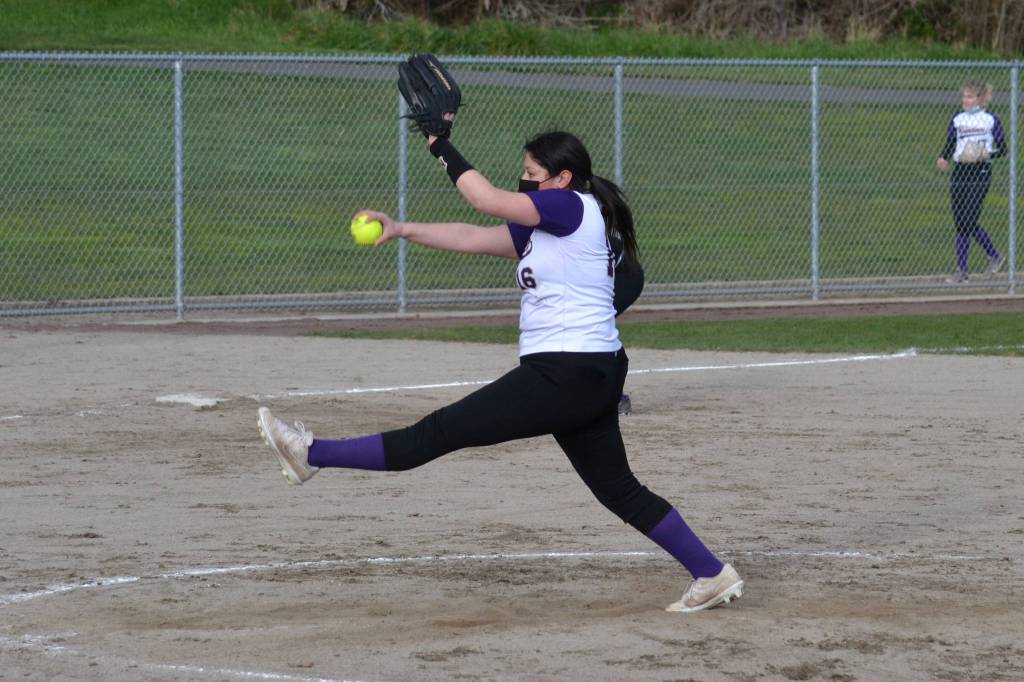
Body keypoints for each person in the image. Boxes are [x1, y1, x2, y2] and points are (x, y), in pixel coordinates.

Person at [257, 130, 742, 613]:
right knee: (619, 490)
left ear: (563, 178)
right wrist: (401, 228)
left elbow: (484, 201)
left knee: (438, 431)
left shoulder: (570, 206)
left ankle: (312, 454)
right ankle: (711, 572)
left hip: (566, 371)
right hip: (587, 372)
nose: (524, 181)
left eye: (532, 173)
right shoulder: (549, 226)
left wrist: (437, 143)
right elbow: (471, 236)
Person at [936, 80, 1007, 283]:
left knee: (968, 217)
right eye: (964, 96)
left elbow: (1003, 148)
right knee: (960, 221)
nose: (965, 100)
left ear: (980, 99)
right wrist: (943, 158)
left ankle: (993, 255)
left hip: (981, 171)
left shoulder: (991, 119)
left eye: (969, 96)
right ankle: (963, 271)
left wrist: (985, 153)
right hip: (960, 171)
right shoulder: (958, 119)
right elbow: (950, 143)